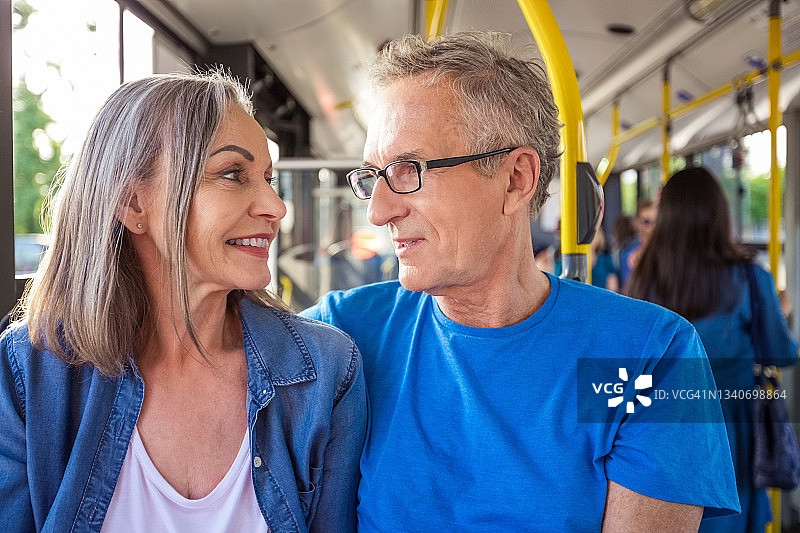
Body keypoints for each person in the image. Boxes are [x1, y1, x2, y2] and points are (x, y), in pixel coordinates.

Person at [300, 32, 739, 530]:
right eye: (372, 176)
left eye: (408, 170)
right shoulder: (344, 336)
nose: (378, 211)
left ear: (515, 179)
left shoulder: (648, 355)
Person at [0, 72, 367, 532]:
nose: (276, 205)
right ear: (134, 203)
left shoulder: (326, 370)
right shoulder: (27, 371)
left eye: (269, 179)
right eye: (233, 174)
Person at [627, 166, 799, 533]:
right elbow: (780, 353)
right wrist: (781, 313)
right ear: (720, 215)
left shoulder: (644, 278)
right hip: (732, 430)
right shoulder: (750, 278)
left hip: (661, 429)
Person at [618, 199, 657, 286]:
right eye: (647, 222)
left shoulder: (668, 251)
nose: (654, 227)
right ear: (637, 223)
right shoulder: (628, 254)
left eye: (657, 221)